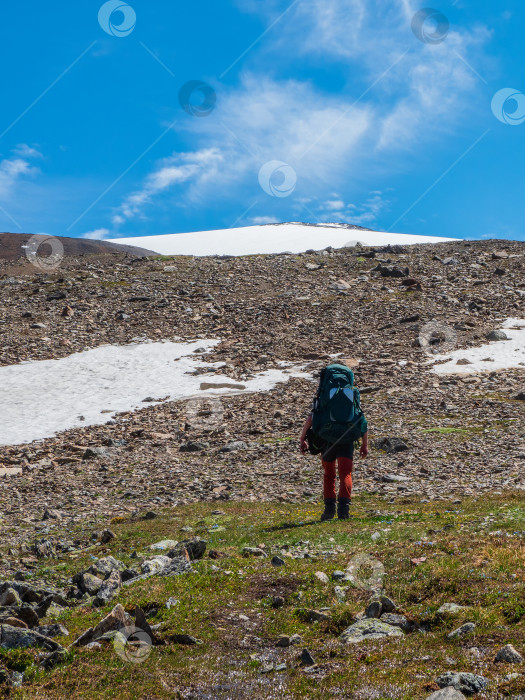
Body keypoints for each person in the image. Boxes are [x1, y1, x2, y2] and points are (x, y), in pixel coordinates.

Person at [299, 369, 368, 521]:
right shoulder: (352, 393)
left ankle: (329, 511)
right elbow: (362, 420)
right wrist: (364, 445)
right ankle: (344, 511)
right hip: (347, 438)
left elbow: (312, 417)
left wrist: (302, 438)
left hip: (327, 438)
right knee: (346, 474)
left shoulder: (324, 394)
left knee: (329, 475)